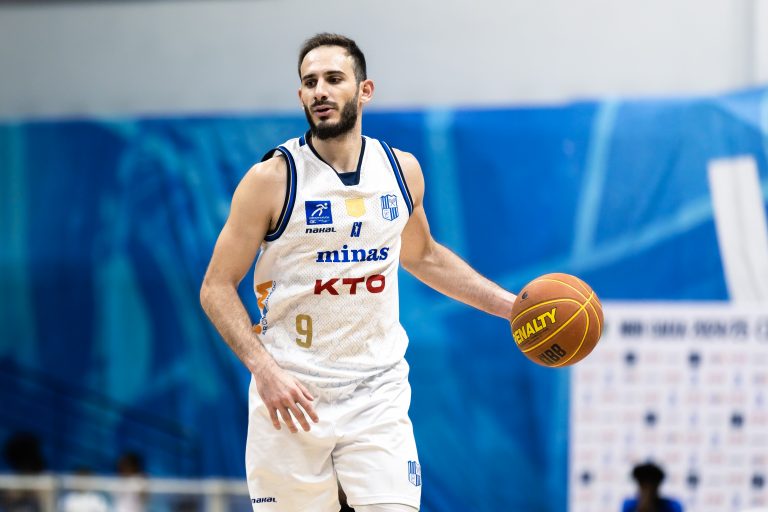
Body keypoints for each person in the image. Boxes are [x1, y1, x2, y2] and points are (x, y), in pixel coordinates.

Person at [200, 33, 516, 512]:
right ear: (301, 95)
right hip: (291, 393)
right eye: (310, 82)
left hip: (376, 392)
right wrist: (263, 370)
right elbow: (215, 287)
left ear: (365, 90)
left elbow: (424, 257)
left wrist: (513, 308)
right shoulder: (271, 180)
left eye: (333, 79)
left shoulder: (401, 171)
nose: (320, 91)